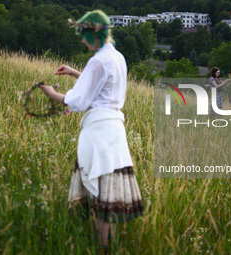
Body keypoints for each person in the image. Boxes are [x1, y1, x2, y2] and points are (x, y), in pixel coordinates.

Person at [39, 10, 144, 251]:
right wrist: (76, 73)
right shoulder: (117, 57)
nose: (83, 41)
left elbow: (78, 101)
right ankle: (108, 242)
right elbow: (103, 86)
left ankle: (102, 246)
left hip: (98, 134)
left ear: (94, 35)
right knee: (109, 189)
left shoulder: (97, 61)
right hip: (115, 132)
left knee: (99, 191)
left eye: (85, 36)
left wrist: (52, 94)